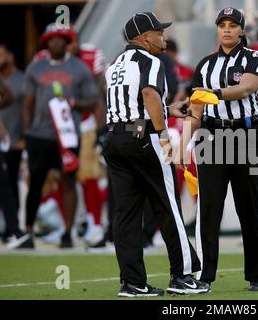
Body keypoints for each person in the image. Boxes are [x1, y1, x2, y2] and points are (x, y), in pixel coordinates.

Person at [103, 12, 209, 297]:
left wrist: (169, 110)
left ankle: (132, 282)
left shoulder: (115, 63)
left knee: (125, 213)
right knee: (168, 206)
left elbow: (132, 101)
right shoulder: (150, 59)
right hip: (143, 138)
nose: (163, 36)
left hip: (115, 137)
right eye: (158, 32)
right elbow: (149, 94)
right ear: (144, 37)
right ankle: (183, 275)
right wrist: (163, 134)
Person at [182, 7, 258, 291]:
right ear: (217, 29)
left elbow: (246, 88)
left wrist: (214, 94)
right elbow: (195, 110)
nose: (227, 29)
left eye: (233, 25)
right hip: (211, 134)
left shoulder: (254, 58)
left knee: (249, 207)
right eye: (223, 25)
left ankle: (256, 274)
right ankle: (204, 276)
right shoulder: (205, 65)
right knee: (208, 207)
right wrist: (183, 149)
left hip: (246, 133)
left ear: (242, 30)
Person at [22, 23, 98, 248]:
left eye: (61, 39)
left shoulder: (80, 68)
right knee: (35, 181)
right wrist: (27, 132)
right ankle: (28, 232)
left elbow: (92, 100)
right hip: (39, 134)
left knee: (68, 181)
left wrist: (74, 103)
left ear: (67, 43)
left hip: (67, 135)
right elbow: (27, 103)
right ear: (46, 42)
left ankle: (67, 232)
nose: (57, 43)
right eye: (53, 39)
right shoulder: (36, 68)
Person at [0, 44, 30, 249]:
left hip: (9, 139)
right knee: (1, 182)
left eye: (0, 54)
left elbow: (7, 99)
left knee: (6, 182)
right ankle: (14, 230)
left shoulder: (19, 79)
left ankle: (12, 230)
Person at [0, 43, 25, 222]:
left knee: (11, 184)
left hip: (14, 140)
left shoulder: (22, 79)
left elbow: (30, 109)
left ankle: (11, 228)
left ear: (10, 57)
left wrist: (23, 137)